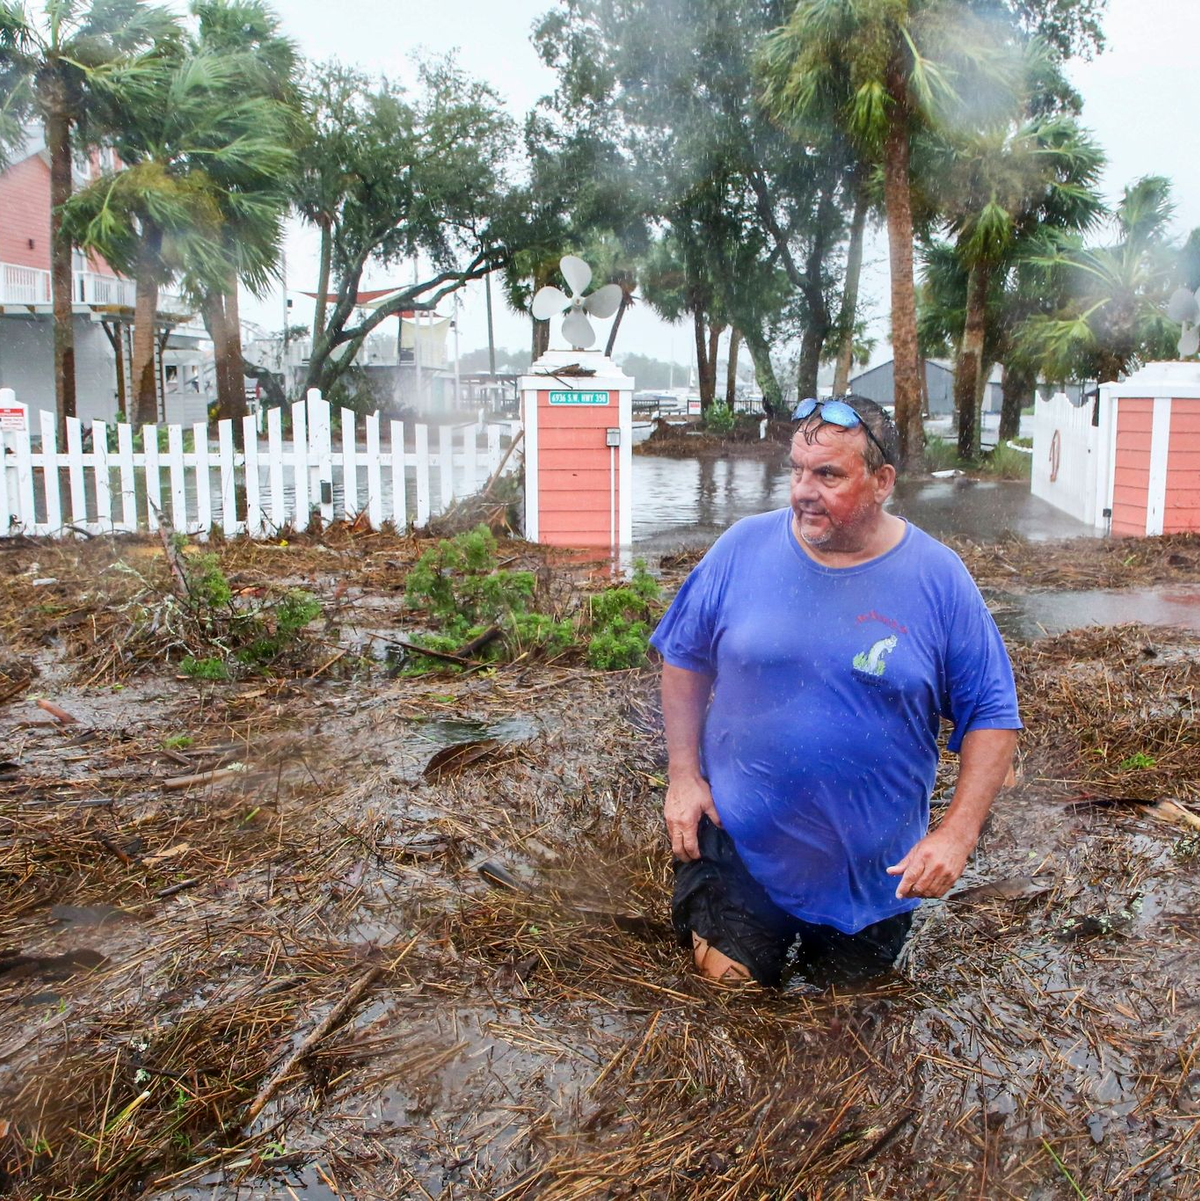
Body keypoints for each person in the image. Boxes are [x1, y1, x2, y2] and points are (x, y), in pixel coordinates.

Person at [649, 395, 1021, 987]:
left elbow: (993, 715)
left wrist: (956, 833)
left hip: (873, 875)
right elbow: (685, 657)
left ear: (881, 481)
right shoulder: (741, 549)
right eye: (796, 470)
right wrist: (683, 776)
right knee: (728, 994)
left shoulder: (938, 578)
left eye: (827, 475)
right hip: (743, 849)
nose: (802, 490)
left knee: (843, 1026)